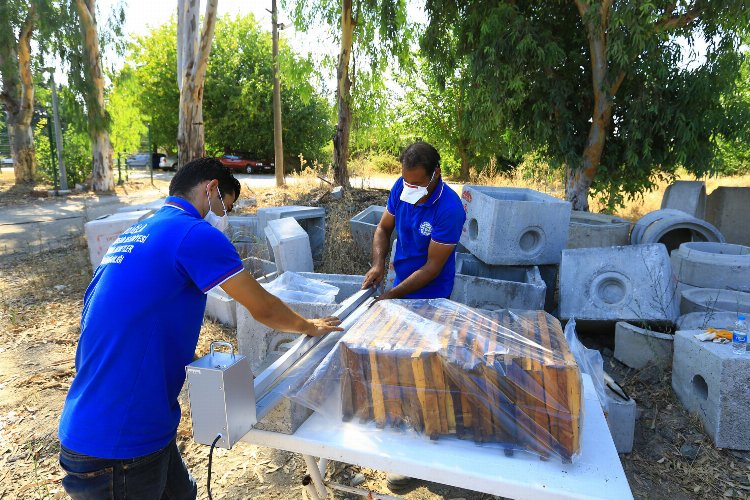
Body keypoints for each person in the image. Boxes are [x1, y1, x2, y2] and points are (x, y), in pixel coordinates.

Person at [57, 158, 342, 499]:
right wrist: (307, 325)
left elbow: (133, 317)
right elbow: (262, 307)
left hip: (117, 422)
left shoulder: (141, 229)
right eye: (227, 205)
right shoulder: (194, 232)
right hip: (120, 443)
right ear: (210, 189)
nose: (225, 215)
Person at [361, 141, 466, 492]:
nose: (412, 190)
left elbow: (434, 267)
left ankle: (426, 455)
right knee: (399, 368)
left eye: (418, 184)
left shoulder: (449, 209)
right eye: (407, 183)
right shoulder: (402, 187)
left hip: (430, 298)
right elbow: (382, 229)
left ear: (436, 174)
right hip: (398, 288)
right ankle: (404, 443)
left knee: (426, 371)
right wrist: (378, 264)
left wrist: (391, 296)